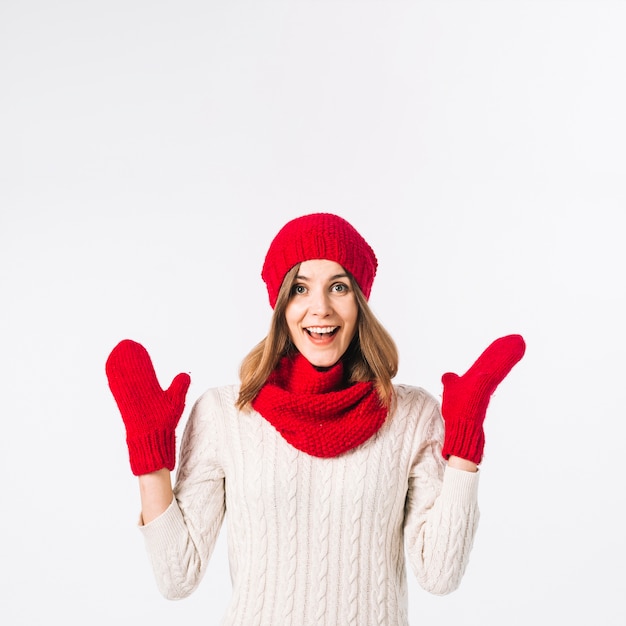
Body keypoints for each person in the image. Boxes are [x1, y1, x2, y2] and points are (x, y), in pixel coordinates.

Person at [105, 212, 526, 626]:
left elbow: (440, 574)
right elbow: (177, 576)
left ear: (360, 303)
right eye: (300, 289)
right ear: (280, 304)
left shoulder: (412, 415)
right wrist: (150, 458)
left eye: (338, 287)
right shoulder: (224, 414)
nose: (319, 308)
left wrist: (464, 444)